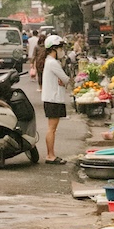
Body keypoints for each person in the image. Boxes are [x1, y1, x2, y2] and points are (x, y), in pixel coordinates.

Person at [41, 34, 69, 164]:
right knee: (52, 128)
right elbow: (66, 79)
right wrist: (64, 81)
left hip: (52, 98)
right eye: (60, 48)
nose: (62, 50)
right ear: (54, 49)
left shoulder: (50, 62)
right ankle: (50, 155)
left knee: (52, 128)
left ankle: (50, 154)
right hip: (53, 99)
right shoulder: (53, 63)